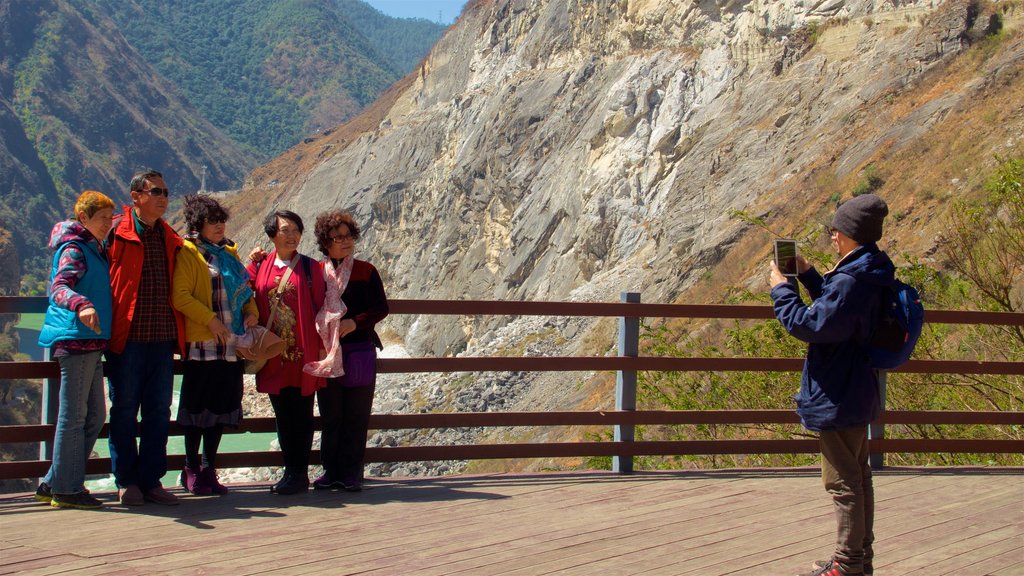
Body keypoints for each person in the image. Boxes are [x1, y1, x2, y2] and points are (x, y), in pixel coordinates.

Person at [769, 194, 893, 576]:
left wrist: (781, 288)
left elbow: (811, 325)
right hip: (858, 388)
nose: (833, 238)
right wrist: (807, 274)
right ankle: (857, 557)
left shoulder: (852, 279)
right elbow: (837, 310)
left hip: (838, 392)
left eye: (836, 231)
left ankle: (847, 564)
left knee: (842, 483)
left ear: (850, 234)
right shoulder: (871, 269)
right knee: (859, 477)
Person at [105, 169, 183, 506]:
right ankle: (126, 480)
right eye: (155, 192)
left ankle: (151, 480)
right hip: (129, 338)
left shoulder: (170, 237)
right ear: (136, 196)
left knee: (158, 411)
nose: (163, 198)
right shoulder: (116, 234)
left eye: (165, 192)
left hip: (162, 338)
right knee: (123, 409)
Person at [171, 195, 258, 495]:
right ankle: (190, 468)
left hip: (230, 345)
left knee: (221, 408)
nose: (219, 225)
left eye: (221, 219)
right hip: (203, 344)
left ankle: (209, 469)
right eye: (212, 221)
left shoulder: (230, 253)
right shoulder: (189, 253)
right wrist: (211, 321)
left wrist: (251, 314)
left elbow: (247, 293)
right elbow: (180, 295)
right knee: (197, 409)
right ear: (198, 225)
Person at [35, 191, 116, 509]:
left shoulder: (93, 246)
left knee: (94, 416)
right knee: (74, 417)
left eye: (110, 219)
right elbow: (60, 287)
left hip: (91, 342)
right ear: (84, 218)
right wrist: (81, 304)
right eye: (102, 219)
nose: (108, 224)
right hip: (76, 340)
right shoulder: (75, 249)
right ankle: (67, 490)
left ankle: (54, 481)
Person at [307, 210, 389, 492]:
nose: (345, 242)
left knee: (356, 414)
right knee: (331, 416)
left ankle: (352, 472)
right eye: (338, 237)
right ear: (325, 241)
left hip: (358, 352)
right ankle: (331, 471)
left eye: (349, 236)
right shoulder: (317, 273)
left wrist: (356, 322)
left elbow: (381, 307)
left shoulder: (366, 271)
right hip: (327, 352)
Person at [247, 210, 326, 495]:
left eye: (295, 229)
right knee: (282, 414)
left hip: (302, 353)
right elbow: (245, 293)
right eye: (285, 230)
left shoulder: (310, 268)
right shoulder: (260, 266)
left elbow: (321, 308)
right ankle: (290, 470)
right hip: (272, 354)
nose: (292, 235)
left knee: (302, 414)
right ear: (272, 236)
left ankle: (298, 473)